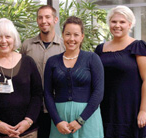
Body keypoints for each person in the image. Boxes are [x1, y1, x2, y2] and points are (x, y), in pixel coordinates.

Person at [0, 18, 43, 138]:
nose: (4, 41)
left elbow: (37, 94)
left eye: (8, 36)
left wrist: (28, 121)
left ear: (14, 38)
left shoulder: (28, 62)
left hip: (26, 132)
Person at [44, 16, 104, 138]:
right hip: (61, 120)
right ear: (62, 35)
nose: (72, 39)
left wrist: (80, 121)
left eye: (76, 35)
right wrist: (57, 121)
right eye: (68, 34)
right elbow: (47, 93)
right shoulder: (52, 61)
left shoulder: (92, 59)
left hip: (88, 118)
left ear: (82, 36)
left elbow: (98, 92)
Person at [95, 5, 146, 138]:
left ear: (130, 24)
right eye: (114, 21)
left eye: (122, 22)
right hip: (105, 109)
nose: (117, 25)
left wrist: (143, 110)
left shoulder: (138, 46)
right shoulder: (100, 49)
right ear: (109, 23)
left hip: (131, 110)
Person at [20, 5, 65, 138]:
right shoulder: (27, 45)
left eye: (47, 17)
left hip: (57, 108)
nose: (44, 21)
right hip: (31, 108)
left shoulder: (64, 46)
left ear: (55, 19)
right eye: (40, 17)